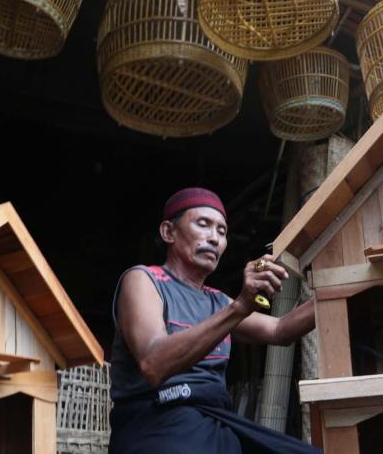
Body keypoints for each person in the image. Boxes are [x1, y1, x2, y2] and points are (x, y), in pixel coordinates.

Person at [109, 187, 319, 454]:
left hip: (214, 422)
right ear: (168, 232)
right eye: (203, 225)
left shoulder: (217, 301)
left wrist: (346, 287)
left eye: (221, 231)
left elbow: (280, 330)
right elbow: (154, 363)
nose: (214, 238)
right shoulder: (144, 280)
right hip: (156, 422)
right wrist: (241, 306)